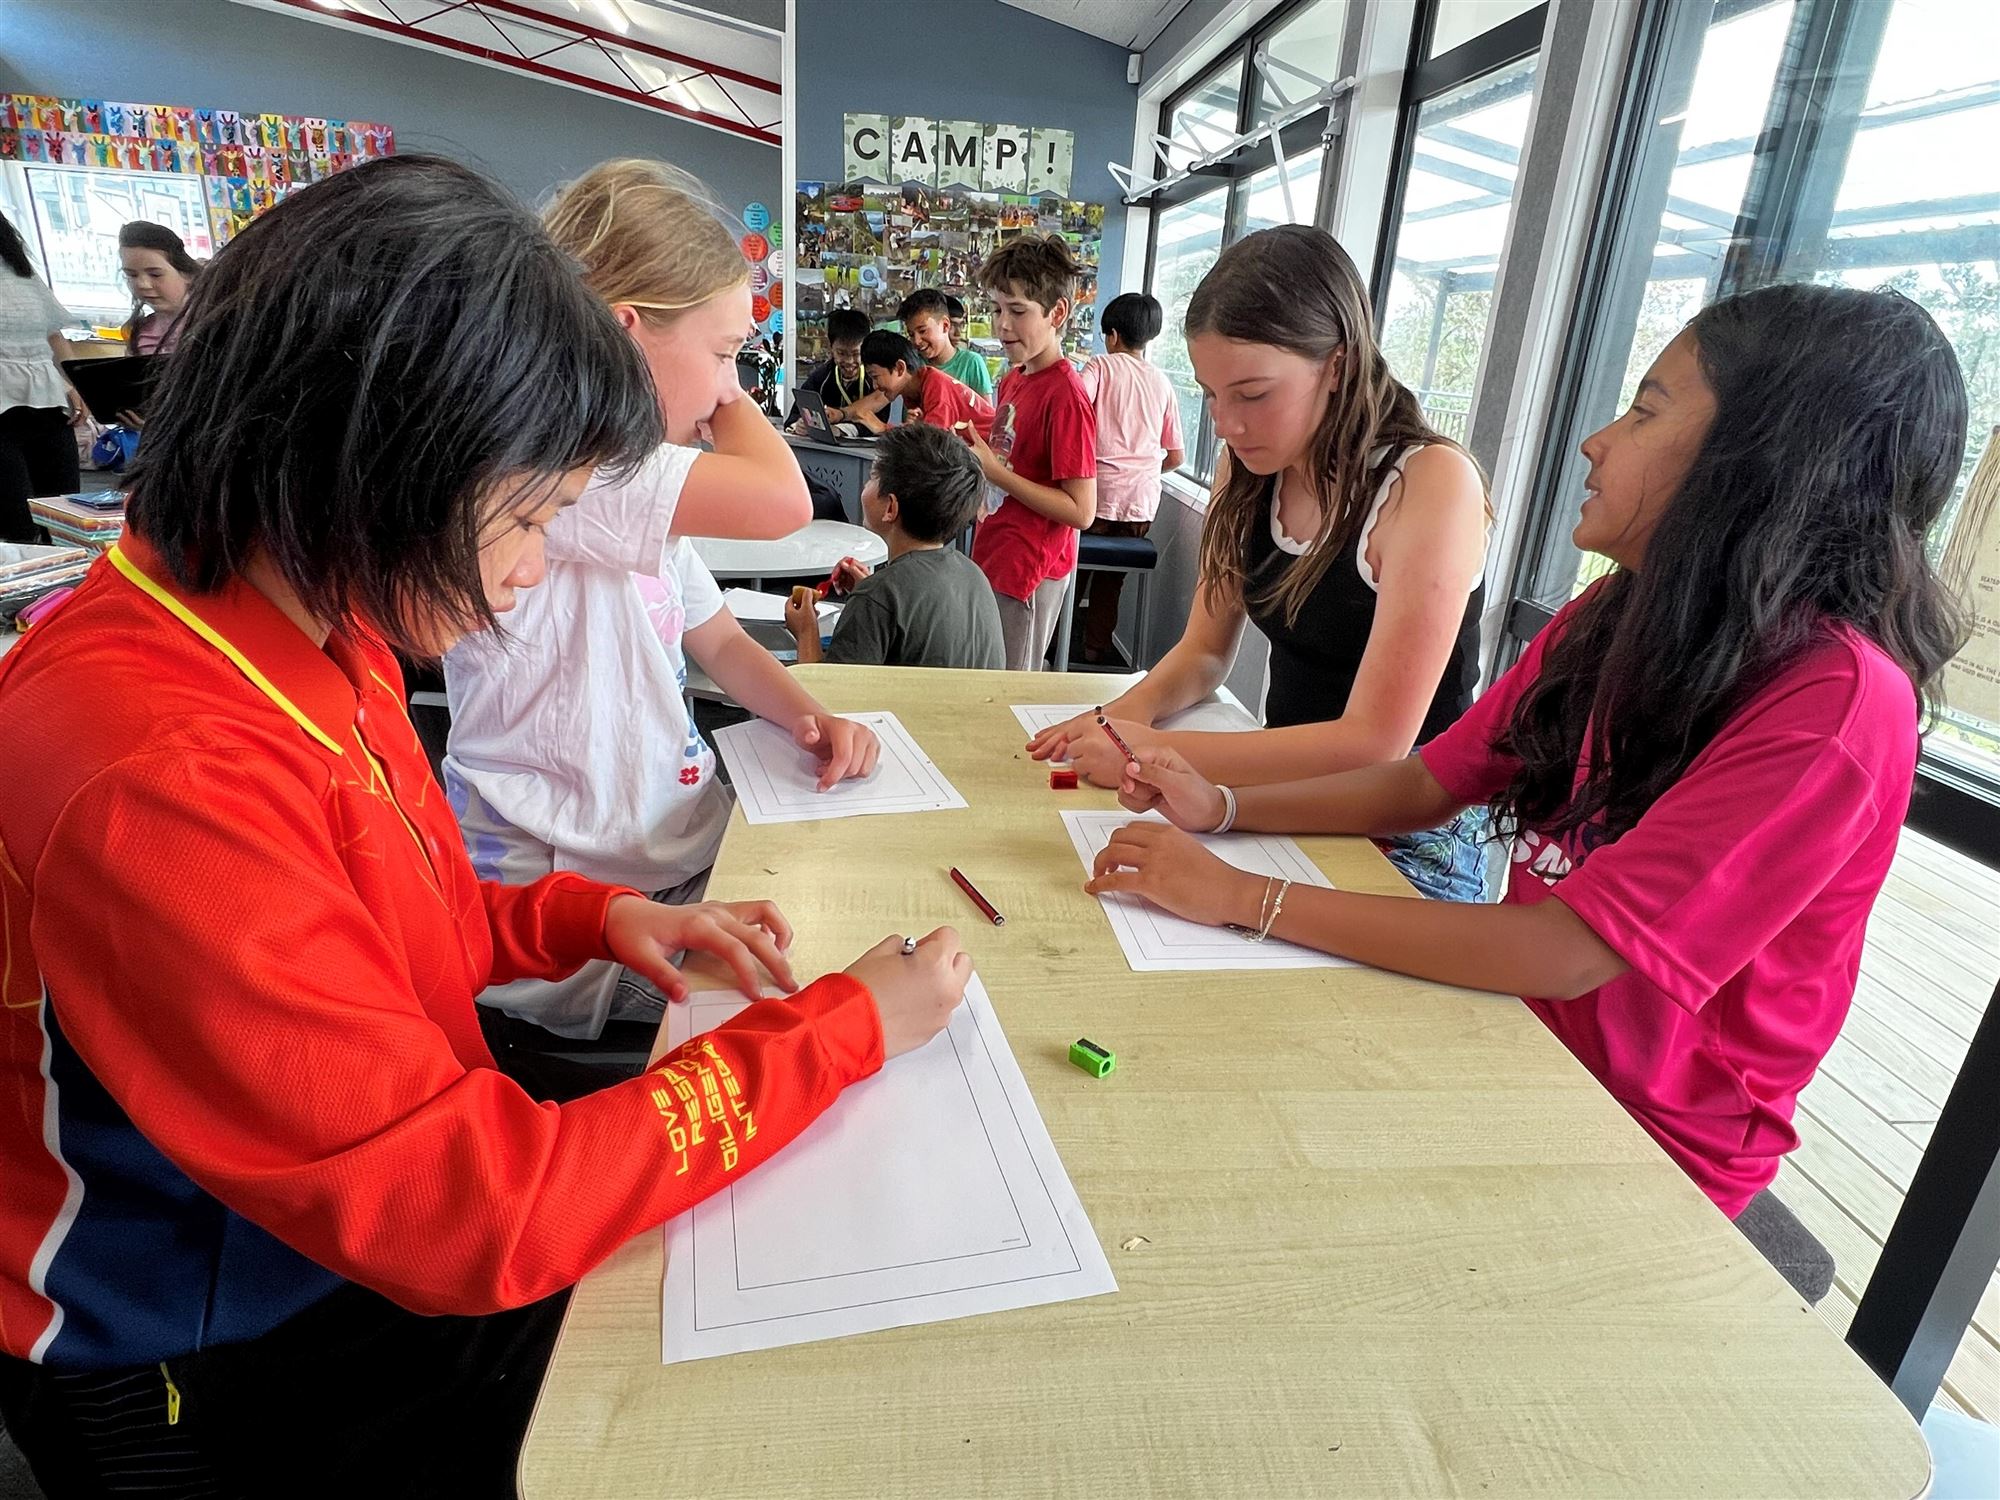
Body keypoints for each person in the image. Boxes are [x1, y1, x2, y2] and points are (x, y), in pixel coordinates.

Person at [0, 153, 969, 1499]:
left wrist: (589, 916)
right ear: (385, 462)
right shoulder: (161, 768)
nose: (532, 570)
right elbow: (465, 1213)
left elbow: (395, 915)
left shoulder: (313, 622)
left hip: (332, 1228)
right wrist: (838, 1032)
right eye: (531, 516)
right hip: (188, 1334)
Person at [1086, 283, 1975, 1223]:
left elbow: (1564, 952)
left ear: (1763, 461)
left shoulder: (1836, 699)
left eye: (1645, 412)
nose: (1596, 441)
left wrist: (1242, 897)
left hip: (1647, 1143)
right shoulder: (1615, 612)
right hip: (1512, 1031)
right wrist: (1223, 808)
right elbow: (1427, 782)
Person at [444, 159, 880, 1047]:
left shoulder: (627, 478)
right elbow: (783, 499)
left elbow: (717, 639)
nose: (728, 385)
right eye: (722, 354)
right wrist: (730, 402)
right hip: (581, 912)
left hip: (660, 853)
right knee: (802, 1003)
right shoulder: (571, 464)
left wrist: (809, 717)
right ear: (625, 334)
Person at [1027, 227, 1489, 898]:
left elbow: (1374, 746)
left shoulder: (1431, 482)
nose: (1227, 423)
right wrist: (1119, 718)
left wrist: (1148, 749)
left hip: (1410, 831)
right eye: (1211, 395)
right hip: (1281, 793)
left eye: (1252, 394)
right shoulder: (1246, 469)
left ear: (1338, 365)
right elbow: (1204, 653)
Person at [965, 235, 1096, 672]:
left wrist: (996, 474)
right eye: (997, 309)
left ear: (1057, 313)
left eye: (1018, 311)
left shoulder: (1066, 396)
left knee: (1011, 689)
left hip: (1029, 572)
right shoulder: (1013, 378)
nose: (1003, 325)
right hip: (996, 553)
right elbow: (1006, 459)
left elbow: (1081, 511)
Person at [786, 422, 1003, 670]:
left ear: (890, 508)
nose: (865, 485)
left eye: (872, 478)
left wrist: (805, 632)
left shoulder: (877, 596)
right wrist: (874, 593)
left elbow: (827, 692)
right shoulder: (973, 575)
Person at [1077, 291, 1185, 663]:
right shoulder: (1163, 383)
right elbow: (1176, 456)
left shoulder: (1099, 367)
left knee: (1073, 573)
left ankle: (1055, 645)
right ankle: (1095, 649)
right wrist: (1141, 471)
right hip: (1140, 505)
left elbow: (1073, 405)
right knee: (1111, 581)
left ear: (1112, 336)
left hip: (1095, 497)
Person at [0, 210, 82, 540]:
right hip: (2, 413)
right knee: (19, 523)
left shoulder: (21, 272)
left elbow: (53, 334)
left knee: (65, 517)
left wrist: (76, 383)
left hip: (48, 405)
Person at [850, 328, 995, 440]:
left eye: (875, 377)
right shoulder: (913, 391)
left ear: (900, 368)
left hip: (994, 453)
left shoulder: (936, 388)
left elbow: (930, 443)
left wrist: (882, 428)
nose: (875, 386)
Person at [118, 219, 200, 356]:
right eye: (132, 275)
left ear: (187, 274)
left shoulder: (215, 324)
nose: (143, 284)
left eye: (155, 274)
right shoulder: (139, 333)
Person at [899, 285, 993, 400]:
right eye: (911, 334)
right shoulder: (912, 364)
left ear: (945, 325)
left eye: (922, 331)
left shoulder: (971, 363)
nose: (917, 341)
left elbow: (986, 410)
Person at [794, 306, 872, 419]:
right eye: (841, 353)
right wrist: (799, 423)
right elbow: (795, 415)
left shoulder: (873, 379)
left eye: (856, 354)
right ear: (830, 347)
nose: (849, 361)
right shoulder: (820, 378)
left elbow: (879, 421)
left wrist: (841, 427)